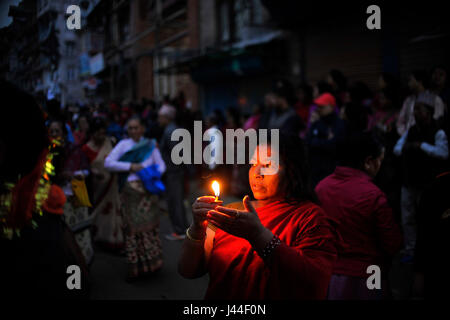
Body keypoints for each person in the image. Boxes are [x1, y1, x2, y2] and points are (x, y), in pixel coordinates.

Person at [178, 134, 338, 299]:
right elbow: (187, 270)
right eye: (253, 163)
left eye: (268, 164)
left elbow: (315, 282)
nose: (257, 173)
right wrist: (197, 228)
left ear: (292, 170)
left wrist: (259, 236)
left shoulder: (311, 218)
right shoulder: (232, 213)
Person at [315, 132, 403, 299]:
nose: (379, 166)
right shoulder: (373, 195)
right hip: (372, 272)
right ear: (369, 162)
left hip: (331, 274)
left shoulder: (322, 188)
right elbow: (392, 243)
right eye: (380, 161)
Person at [104, 117, 166, 280]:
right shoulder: (123, 145)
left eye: (135, 127)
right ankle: (137, 267)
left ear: (142, 129)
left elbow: (161, 165)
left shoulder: (151, 145)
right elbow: (108, 163)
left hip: (148, 192)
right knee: (132, 230)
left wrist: (151, 174)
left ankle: (153, 264)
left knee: (149, 229)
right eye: (130, 128)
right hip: (130, 193)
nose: (133, 131)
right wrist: (130, 166)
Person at [393, 96, 449, 263]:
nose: (415, 112)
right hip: (409, 181)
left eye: (420, 109)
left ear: (429, 112)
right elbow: (397, 149)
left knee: (426, 218)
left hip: (427, 183)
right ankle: (411, 250)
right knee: (408, 217)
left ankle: (427, 251)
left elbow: (443, 153)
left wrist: (421, 146)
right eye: (415, 109)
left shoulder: (438, 132)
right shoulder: (411, 130)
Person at [82, 117, 124, 251]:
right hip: (96, 188)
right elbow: (83, 167)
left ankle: (113, 240)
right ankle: (98, 238)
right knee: (98, 213)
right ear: (92, 133)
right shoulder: (86, 149)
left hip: (112, 185)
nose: (101, 136)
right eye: (98, 133)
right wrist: (92, 172)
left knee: (112, 212)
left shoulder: (110, 142)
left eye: (103, 132)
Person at [158, 104, 189, 240]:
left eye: (160, 117)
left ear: (167, 117)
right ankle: (182, 229)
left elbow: (179, 155)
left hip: (174, 172)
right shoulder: (171, 130)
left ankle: (180, 230)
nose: (159, 120)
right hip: (174, 172)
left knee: (175, 202)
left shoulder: (170, 132)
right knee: (176, 202)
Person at [306, 92, 346, 187]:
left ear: (331, 106)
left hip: (331, 168)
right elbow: (308, 141)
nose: (318, 109)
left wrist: (317, 142)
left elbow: (335, 144)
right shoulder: (316, 123)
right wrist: (325, 141)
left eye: (322, 106)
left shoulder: (339, 124)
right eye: (318, 106)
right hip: (316, 169)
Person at [396, 70, 446, 136]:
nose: (408, 83)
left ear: (419, 82)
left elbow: (438, 121)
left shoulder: (435, 100)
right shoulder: (408, 100)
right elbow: (400, 122)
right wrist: (406, 135)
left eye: (411, 80)